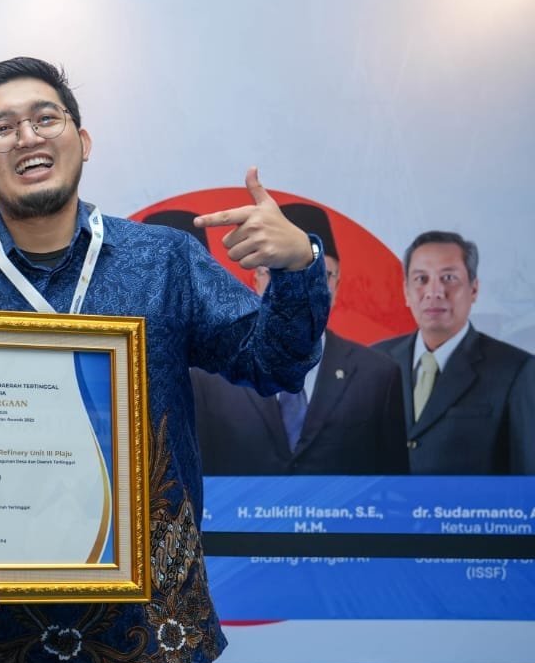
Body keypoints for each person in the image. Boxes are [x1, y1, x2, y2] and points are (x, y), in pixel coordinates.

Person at [0, 57, 330, 663]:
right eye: (1, 128)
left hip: (153, 616)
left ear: (83, 139)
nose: (27, 136)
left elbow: (273, 364)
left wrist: (299, 267)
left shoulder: (165, 261)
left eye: (46, 117)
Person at [189, 203, 409, 475]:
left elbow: (394, 487)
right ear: (256, 282)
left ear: (336, 285)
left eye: (317, 274)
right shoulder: (212, 376)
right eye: (277, 273)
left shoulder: (378, 375)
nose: (299, 287)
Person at [374, 230, 535, 474]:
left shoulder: (516, 370)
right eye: (421, 279)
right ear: (406, 291)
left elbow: (526, 477)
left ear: (474, 289)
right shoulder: (375, 361)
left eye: (448, 277)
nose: (434, 292)